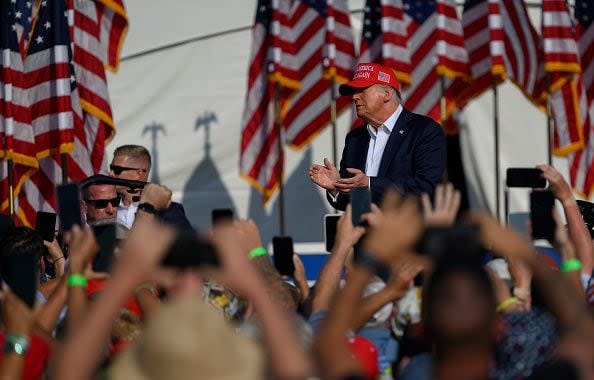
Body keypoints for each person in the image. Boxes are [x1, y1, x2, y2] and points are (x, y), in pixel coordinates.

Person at [309, 62, 446, 210]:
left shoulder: (423, 130)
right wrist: (336, 188)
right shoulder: (355, 138)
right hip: (364, 232)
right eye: (354, 91)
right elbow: (349, 204)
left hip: (406, 230)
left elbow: (426, 188)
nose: (355, 97)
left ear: (387, 94)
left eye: (362, 90)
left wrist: (369, 184)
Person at [109, 145, 193, 231]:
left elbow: (188, 243)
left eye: (116, 170)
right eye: (111, 168)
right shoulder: (103, 206)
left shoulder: (169, 211)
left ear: (139, 174)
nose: (110, 174)